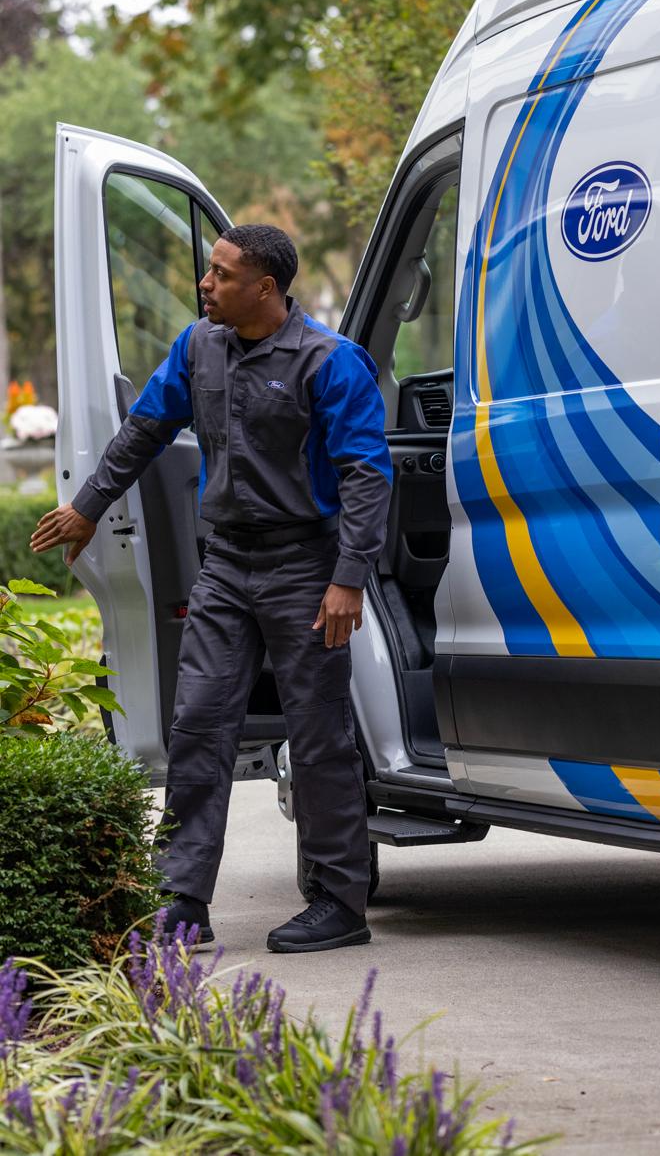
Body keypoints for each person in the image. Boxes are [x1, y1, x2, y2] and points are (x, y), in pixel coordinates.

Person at [31, 224, 392, 953]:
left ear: (266, 288)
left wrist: (348, 579)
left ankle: (339, 901)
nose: (206, 283)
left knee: (319, 735)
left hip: (305, 567)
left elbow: (366, 474)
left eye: (222, 274)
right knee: (197, 726)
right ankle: (182, 900)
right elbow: (145, 429)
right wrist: (88, 507)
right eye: (210, 271)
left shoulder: (330, 362)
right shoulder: (200, 347)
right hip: (225, 564)